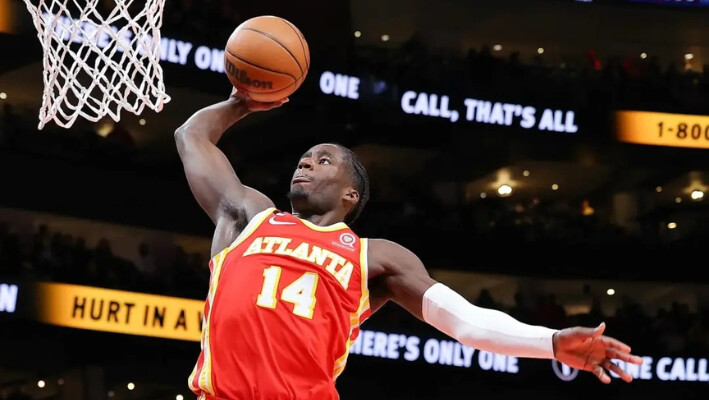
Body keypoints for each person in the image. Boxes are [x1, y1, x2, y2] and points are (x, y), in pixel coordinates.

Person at [174, 90, 643, 400]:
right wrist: (243, 101)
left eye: (322, 161)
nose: (305, 164)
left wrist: (552, 343)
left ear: (350, 194)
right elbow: (191, 135)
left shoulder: (375, 256)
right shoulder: (250, 216)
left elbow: (466, 322)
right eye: (303, 159)